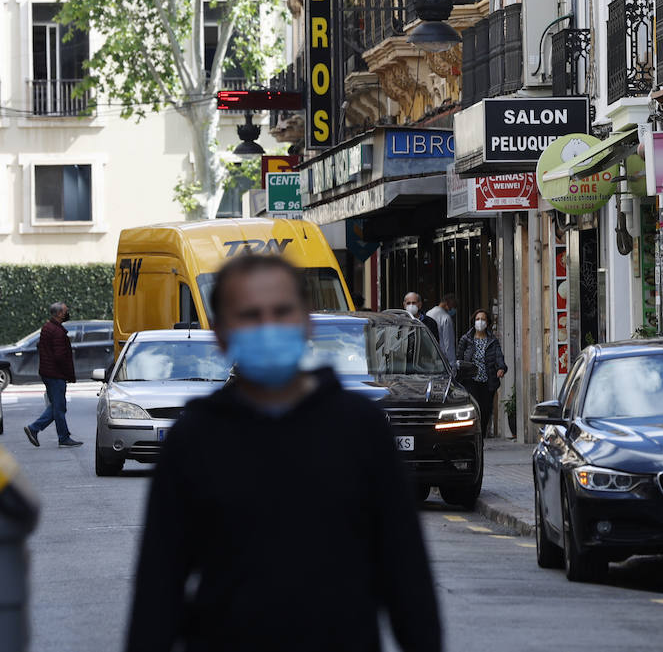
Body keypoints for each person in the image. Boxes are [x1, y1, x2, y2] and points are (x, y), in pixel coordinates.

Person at [125, 253, 440, 652]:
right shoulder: (195, 438)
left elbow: (406, 573)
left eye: (282, 311)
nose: (268, 327)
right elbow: (159, 586)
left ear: (305, 323)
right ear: (221, 334)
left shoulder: (359, 428)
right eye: (250, 315)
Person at [23, 302, 82, 448]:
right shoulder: (56, 331)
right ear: (59, 314)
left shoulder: (47, 328)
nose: (67, 314)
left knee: (57, 406)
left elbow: (42, 348)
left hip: (48, 372)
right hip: (55, 374)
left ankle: (43, 431)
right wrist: (68, 374)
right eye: (66, 311)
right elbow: (60, 357)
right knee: (59, 407)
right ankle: (41, 430)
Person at [454, 310, 506, 439]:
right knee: (474, 408)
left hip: (488, 381)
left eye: (483, 319)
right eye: (478, 319)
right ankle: (471, 434)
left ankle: (481, 434)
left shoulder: (492, 341)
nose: (480, 322)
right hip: (470, 380)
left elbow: (499, 357)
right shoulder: (466, 339)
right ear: (474, 321)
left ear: (487, 322)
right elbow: (459, 359)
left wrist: (501, 368)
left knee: (485, 409)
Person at [425, 294, 457, 365]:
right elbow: (448, 343)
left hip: (428, 356)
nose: (454, 309)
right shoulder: (446, 318)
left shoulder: (428, 313)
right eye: (453, 305)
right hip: (442, 359)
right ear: (446, 303)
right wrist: (452, 363)